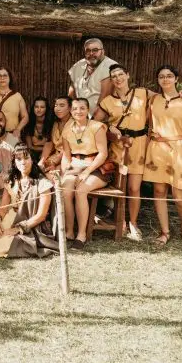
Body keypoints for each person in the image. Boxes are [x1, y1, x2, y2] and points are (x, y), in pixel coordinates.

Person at [93, 64, 182, 241]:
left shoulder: (143, 93)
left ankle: (133, 222)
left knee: (133, 187)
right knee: (119, 187)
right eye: (114, 76)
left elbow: (168, 97)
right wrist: (110, 126)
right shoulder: (107, 101)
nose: (118, 78)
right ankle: (120, 221)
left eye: (121, 74)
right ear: (111, 80)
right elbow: (94, 124)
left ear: (128, 75)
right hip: (118, 147)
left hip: (139, 145)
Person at [0, 144, 57, 258]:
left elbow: (41, 215)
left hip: (32, 224)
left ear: (32, 160)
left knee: (7, 244)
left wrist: (18, 229)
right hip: (11, 217)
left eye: (26, 158)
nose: (23, 162)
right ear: (14, 162)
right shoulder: (11, 181)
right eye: (19, 159)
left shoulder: (42, 182)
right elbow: (3, 208)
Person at [143, 65, 182, 247]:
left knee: (179, 195)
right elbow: (150, 127)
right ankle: (165, 231)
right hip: (157, 148)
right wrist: (145, 151)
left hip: (180, 149)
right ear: (158, 80)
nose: (165, 79)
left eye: (169, 76)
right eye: (161, 76)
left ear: (176, 79)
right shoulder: (153, 100)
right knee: (159, 192)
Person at [60, 98, 109, 250]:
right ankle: (69, 231)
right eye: (75, 109)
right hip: (75, 166)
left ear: (88, 110)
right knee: (66, 190)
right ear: (71, 111)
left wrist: (87, 171)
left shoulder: (96, 127)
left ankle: (81, 235)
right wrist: (64, 173)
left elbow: (103, 154)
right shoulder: (67, 129)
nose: (78, 111)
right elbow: (67, 155)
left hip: (96, 167)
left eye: (82, 108)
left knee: (81, 191)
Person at [68, 37, 118, 113]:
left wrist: (93, 120)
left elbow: (105, 98)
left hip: (101, 114)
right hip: (79, 114)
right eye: (88, 50)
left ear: (102, 51)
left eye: (95, 50)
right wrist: (75, 109)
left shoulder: (110, 66)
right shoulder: (78, 65)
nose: (91, 53)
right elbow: (72, 91)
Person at [0, 67, 28, 139]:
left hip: (11, 135)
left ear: (10, 78)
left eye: (5, 75)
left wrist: (18, 129)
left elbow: (25, 117)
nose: (2, 78)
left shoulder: (17, 96)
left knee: (14, 150)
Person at [39, 96, 72, 173]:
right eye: (56, 105)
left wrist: (54, 162)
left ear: (70, 108)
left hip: (69, 156)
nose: (57, 108)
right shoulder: (55, 122)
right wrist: (42, 161)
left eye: (62, 105)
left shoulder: (74, 123)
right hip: (55, 155)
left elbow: (68, 148)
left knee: (55, 173)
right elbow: (49, 143)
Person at [23, 97, 52, 161]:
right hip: (33, 154)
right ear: (33, 108)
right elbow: (30, 146)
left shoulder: (51, 124)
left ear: (46, 109)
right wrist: (46, 148)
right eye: (36, 107)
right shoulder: (29, 123)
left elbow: (53, 146)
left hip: (50, 154)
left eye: (42, 107)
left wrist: (46, 151)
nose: (39, 110)